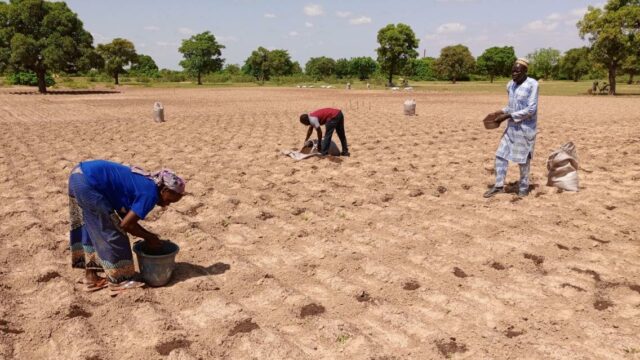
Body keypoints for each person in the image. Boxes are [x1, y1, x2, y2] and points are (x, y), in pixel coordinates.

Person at [68, 159, 185, 292]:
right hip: (89, 183)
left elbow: (128, 219)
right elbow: (126, 225)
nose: (166, 205)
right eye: (168, 200)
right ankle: (120, 280)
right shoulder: (150, 193)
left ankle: (91, 278)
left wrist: (148, 236)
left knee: (91, 228)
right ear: (164, 189)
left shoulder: (146, 183)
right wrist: (150, 237)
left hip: (78, 176)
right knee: (113, 234)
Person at [484, 58, 539, 198]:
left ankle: (524, 187)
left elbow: (531, 109)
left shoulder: (532, 84)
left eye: (517, 71)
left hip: (525, 129)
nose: (514, 74)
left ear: (525, 71)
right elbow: (511, 106)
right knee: (500, 155)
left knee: (523, 160)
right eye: (512, 71)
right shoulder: (510, 85)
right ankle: (498, 186)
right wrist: (499, 112)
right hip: (511, 129)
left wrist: (507, 116)